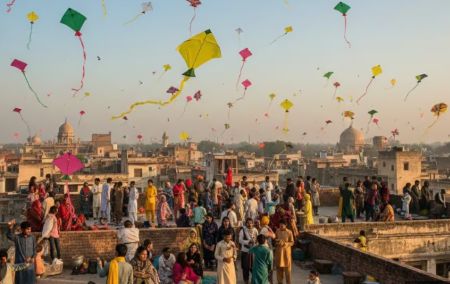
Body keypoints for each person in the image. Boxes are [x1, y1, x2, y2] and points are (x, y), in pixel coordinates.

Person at [274, 220, 294, 284]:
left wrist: (285, 244)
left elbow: (292, 242)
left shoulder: (289, 232)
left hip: (286, 254)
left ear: (285, 225)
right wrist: (277, 241)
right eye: (280, 225)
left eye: (282, 225)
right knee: (279, 271)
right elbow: (275, 239)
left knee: (288, 272)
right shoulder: (277, 231)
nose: (281, 226)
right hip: (279, 254)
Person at [239, 218, 258, 284]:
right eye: (248, 223)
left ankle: (254, 280)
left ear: (253, 223)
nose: (249, 224)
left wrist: (255, 242)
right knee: (245, 268)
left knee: (254, 268)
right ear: (246, 223)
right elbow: (240, 240)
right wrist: (248, 241)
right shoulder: (242, 230)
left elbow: (258, 238)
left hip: (254, 252)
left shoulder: (255, 230)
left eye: (251, 223)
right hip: (245, 251)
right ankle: (246, 281)